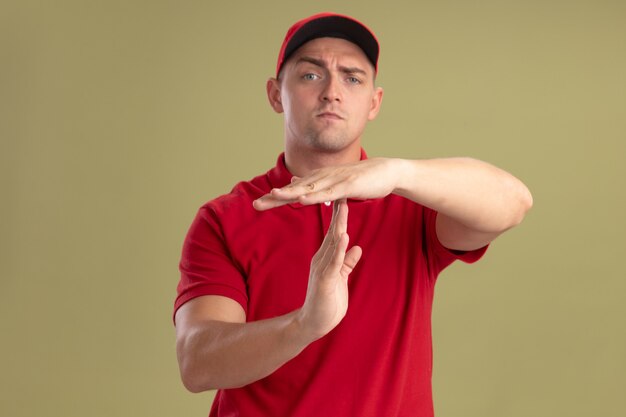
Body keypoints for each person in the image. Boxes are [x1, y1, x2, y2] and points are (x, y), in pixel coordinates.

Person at [173, 12, 533, 417]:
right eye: (311, 75)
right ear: (276, 94)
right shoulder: (227, 217)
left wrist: (396, 172)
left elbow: (513, 201)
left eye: (353, 78)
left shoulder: (411, 204)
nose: (332, 92)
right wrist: (304, 324)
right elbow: (196, 361)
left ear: (374, 102)